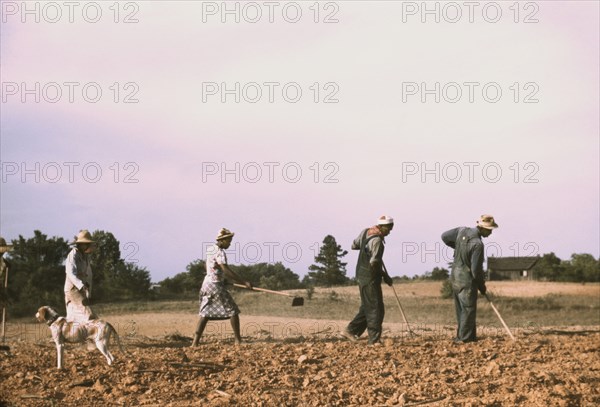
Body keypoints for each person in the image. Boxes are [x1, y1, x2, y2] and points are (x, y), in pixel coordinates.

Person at [441, 214, 498, 343]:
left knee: (461, 309)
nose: (490, 233)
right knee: (468, 309)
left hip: (455, 276)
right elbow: (476, 271)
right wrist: (482, 286)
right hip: (466, 279)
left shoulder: (461, 231)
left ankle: (468, 336)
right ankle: (464, 339)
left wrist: (458, 246)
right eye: (489, 230)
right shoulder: (478, 244)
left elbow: (444, 236)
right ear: (483, 228)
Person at [191, 228, 252, 347]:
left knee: (205, 313)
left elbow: (207, 266)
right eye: (229, 241)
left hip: (206, 284)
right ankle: (238, 341)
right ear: (222, 240)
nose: (230, 243)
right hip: (215, 285)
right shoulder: (220, 252)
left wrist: (220, 278)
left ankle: (194, 343)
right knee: (233, 310)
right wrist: (244, 282)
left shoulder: (210, 249)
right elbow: (225, 269)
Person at [342, 216, 394, 345]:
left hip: (360, 274)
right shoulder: (377, 241)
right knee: (376, 308)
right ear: (382, 227)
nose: (390, 231)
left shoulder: (366, 232)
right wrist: (385, 276)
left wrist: (367, 249)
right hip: (370, 276)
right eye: (389, 228)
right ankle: (374, 340)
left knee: (368, 306)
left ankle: (351, 330)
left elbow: (354, 245)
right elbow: (374, 263)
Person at [64, 230, 97, 322]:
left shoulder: (85, 256)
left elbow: (86, 274)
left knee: (73, 317)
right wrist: (81, 285)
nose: (87, 246)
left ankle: (73, 335)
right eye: (85, 244)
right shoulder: (72, 255)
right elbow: (70, 273)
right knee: (88, 314)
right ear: (80, 244)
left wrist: (86, 287)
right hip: (73, 289)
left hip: (80, 289)